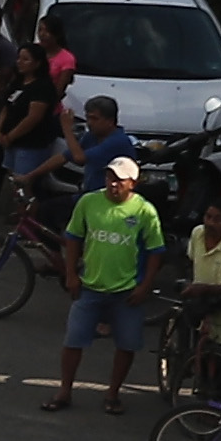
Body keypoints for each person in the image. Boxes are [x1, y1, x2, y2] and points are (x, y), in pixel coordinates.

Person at [54, 153, 170, 414]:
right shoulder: (89, 202)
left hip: (126, 292)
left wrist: (146, 285)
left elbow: (156, 251)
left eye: (119, 180)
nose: (112, 184)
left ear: (133, 183)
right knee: (73, 341)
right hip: (90, 287)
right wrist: (71, 273)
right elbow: (73, 238)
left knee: (126, 345)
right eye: (109, 177)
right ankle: (64, 390)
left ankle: (113, 393)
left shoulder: (144, 211)